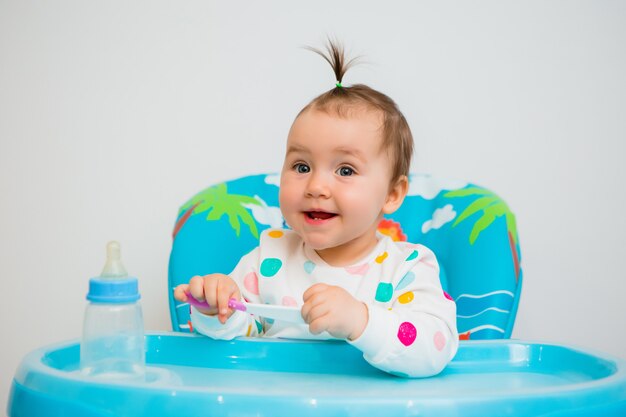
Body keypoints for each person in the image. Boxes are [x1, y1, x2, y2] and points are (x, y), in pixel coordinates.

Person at [174, 40, 458, 377]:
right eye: (302, 166)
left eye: (345, 170)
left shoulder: (407, 268)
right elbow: (238, 341)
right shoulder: (268, 259)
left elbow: (433, 349)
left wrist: (361, 321)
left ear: (393, 194)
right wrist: (216, 311)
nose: (316, 187)